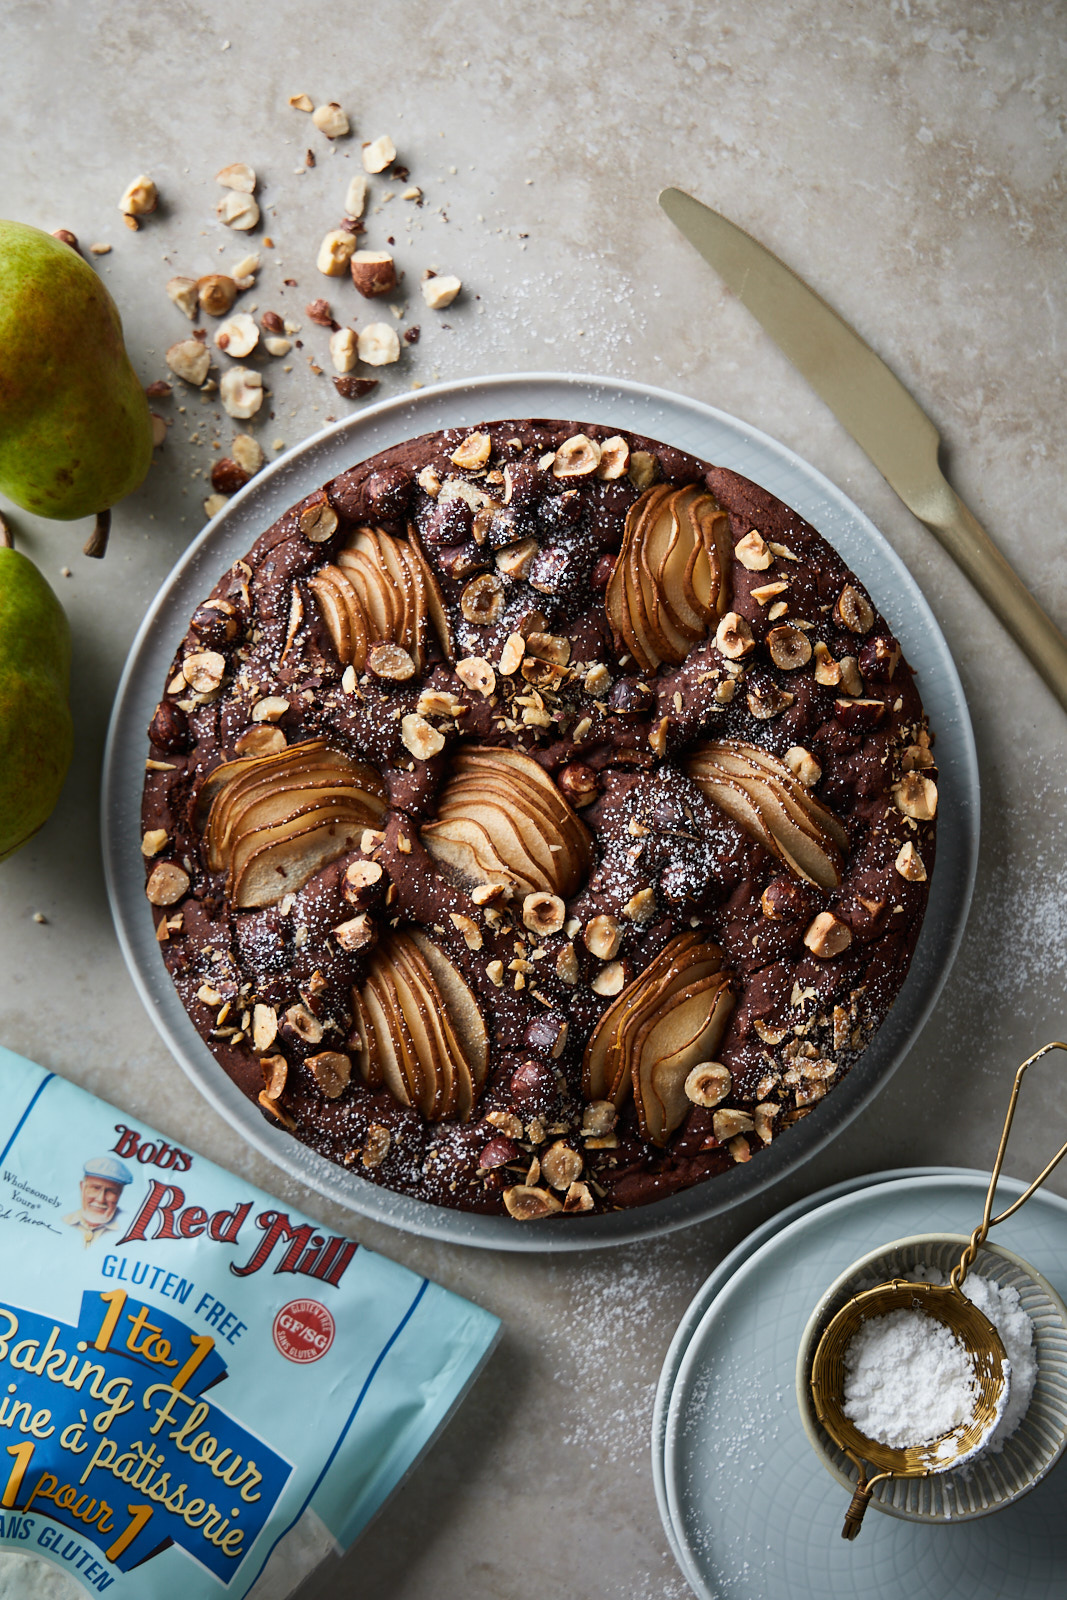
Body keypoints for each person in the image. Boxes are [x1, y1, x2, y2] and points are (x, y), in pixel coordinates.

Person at [62, 1155, 133, 1247]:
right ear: (82, 1187)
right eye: (95, 1188)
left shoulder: (128, 1230)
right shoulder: (64, 1221)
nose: (100, 1199)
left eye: (111, 1191)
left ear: (119, 1194)